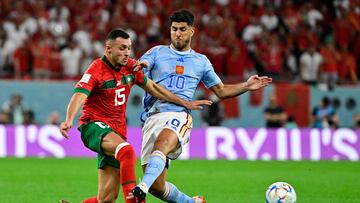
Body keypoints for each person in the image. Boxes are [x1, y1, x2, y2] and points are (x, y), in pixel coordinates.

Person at [131, 9, 272, 203]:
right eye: (174, 29)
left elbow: (221, 91)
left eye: (182, 29)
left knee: (162, 146)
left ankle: (141, 187)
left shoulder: (201, 61)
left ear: (192, 31)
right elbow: (144, 63)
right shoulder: (157, 52)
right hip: (152, 117)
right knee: (158, 187)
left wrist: (246, 86)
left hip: (179, 115)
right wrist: (142, 65)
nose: (177, 33)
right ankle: (191, 202)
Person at [59, 29, 211, 203]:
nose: (126, 53)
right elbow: (80, 94)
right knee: (127, 151)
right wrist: (69, 119)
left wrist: (184, 103)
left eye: (129, 48)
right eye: (122, 48)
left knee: (107, 198)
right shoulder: (96, 69)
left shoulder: (131, 67)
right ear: (108, 49)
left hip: (116, 132)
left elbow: (153, 88)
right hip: (94, 125)